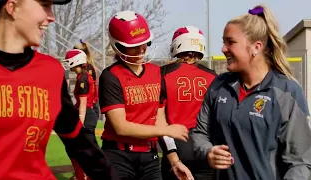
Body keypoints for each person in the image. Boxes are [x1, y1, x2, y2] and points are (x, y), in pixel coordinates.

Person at [0, 0, 116, 179]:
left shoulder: (50, 71)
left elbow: (80, 144)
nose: (52, 17)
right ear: (12, 7)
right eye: (45, 5)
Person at [191, 5, 311, 180]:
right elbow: (199, 133)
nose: (223, 49)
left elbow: (301, 162)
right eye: (223, 42)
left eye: (230, 42)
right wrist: (208, 151)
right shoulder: (219, 86)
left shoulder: (287, 92)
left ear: (256, 47)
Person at [99, 10, 191, 180]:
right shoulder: (111, 76)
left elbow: (159, 119)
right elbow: (121, 127)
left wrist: (174, 161)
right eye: (134, 45)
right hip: (118, 156)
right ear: (118, 46)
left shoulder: (156, 72)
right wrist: (166, 129)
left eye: (145, 42)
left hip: (150, 156)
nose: (142, 49)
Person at [160, 26, 217, 180]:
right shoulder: (212, 76)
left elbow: (159, 119)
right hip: (206, 146)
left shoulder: (163, 73)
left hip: (176, 146)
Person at [64, 49, 99, 180]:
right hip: (88, 113)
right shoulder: (82, 76)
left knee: (77, 149)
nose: (68, 64)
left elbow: (83, 103)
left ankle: (83, 176)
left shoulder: (83, 78)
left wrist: (79, 123)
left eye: (69, 61)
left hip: (87, 114)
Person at [73, 40, 100, 119]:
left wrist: (81, 116)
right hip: (88, 108)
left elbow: (84, 99)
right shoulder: (86, 68)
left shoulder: (86, 70)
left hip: (88, 109)